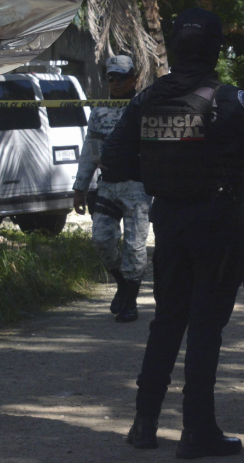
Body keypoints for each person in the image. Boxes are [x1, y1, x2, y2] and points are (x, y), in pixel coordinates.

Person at [100, 8, 244, 458]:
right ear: (215, 49)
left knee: (167, 322)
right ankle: (198, 432)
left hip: (169, 220)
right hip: (216, 222)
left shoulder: (146, 99)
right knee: (204, 328)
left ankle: (144, 425)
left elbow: (115, 162)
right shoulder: (228, 98)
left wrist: (163, 174)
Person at [72, 55, 151, 323]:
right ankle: (121, 282)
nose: (116, 83)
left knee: (135, 246)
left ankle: (130, 301)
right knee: (102, 240)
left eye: (121, 77)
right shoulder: (99, 112)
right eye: (111, 77)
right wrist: (80, 188)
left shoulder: (144, 108)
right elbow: (90, 152)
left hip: (137, 187)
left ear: (134, 78)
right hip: (107, 185)